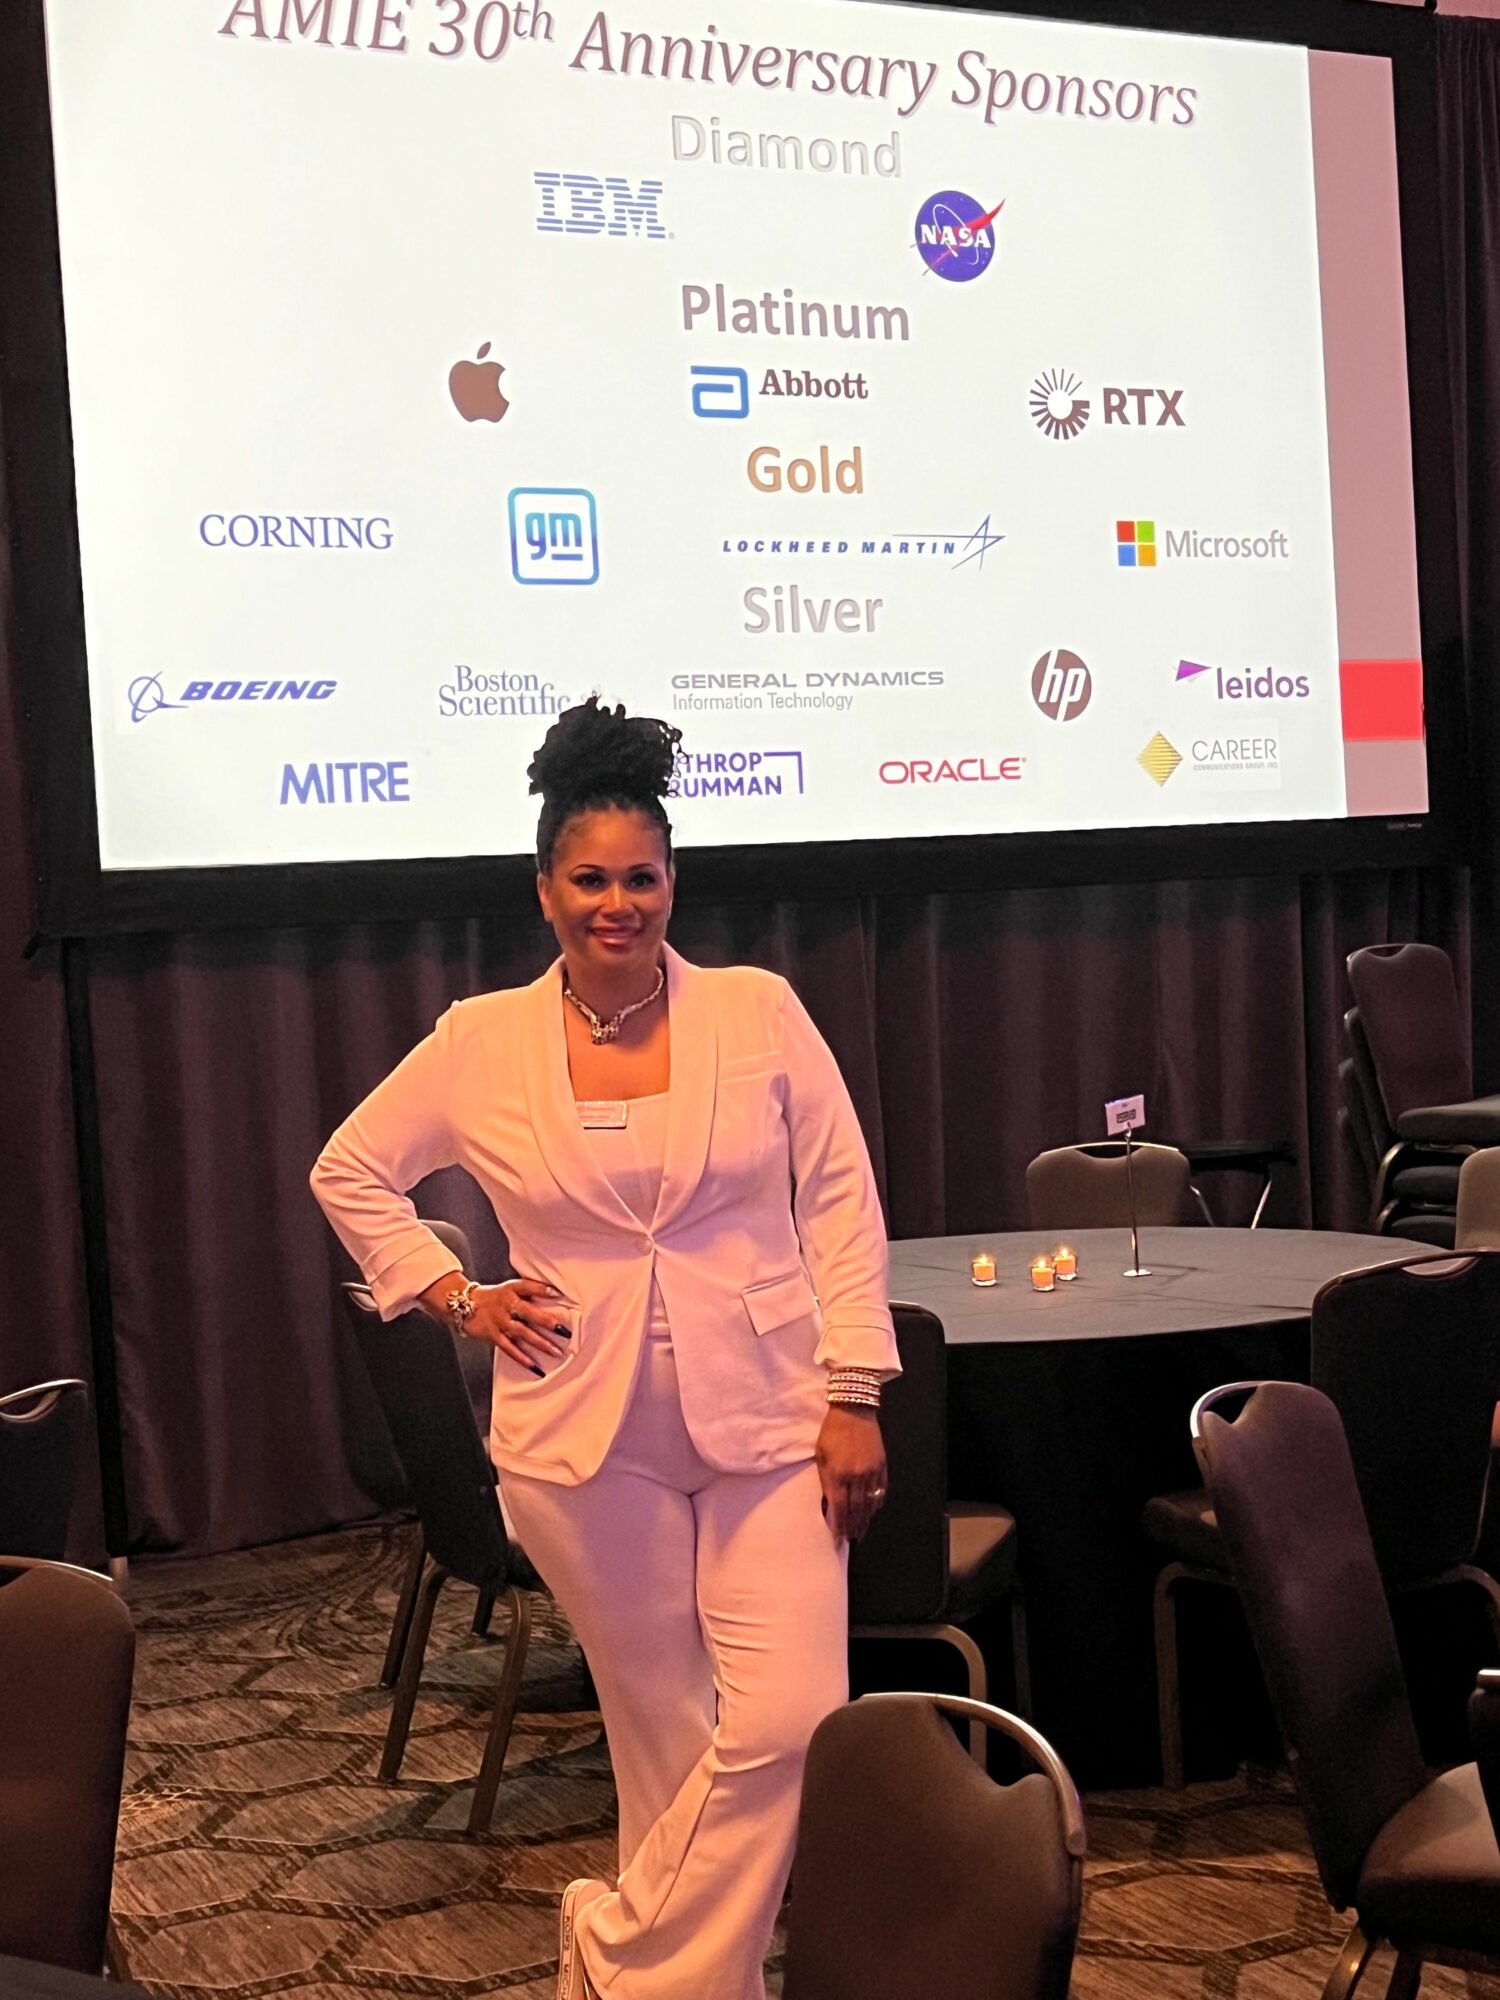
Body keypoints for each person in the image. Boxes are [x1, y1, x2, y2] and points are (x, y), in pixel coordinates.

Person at [311, 697, 898, 2000]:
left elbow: (841, 1203)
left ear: (673, 882)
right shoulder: (480, 1044)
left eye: (641, 877)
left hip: (773, 1424)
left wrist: (855, 1388)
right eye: (590, 879)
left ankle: (612, 1945)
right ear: (545, 891)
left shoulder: (758, 1013)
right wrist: (457, 1294)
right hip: (581, 1442)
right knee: (666, 1740)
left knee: (790, 1724)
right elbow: (349, 1168)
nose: (617, 904)